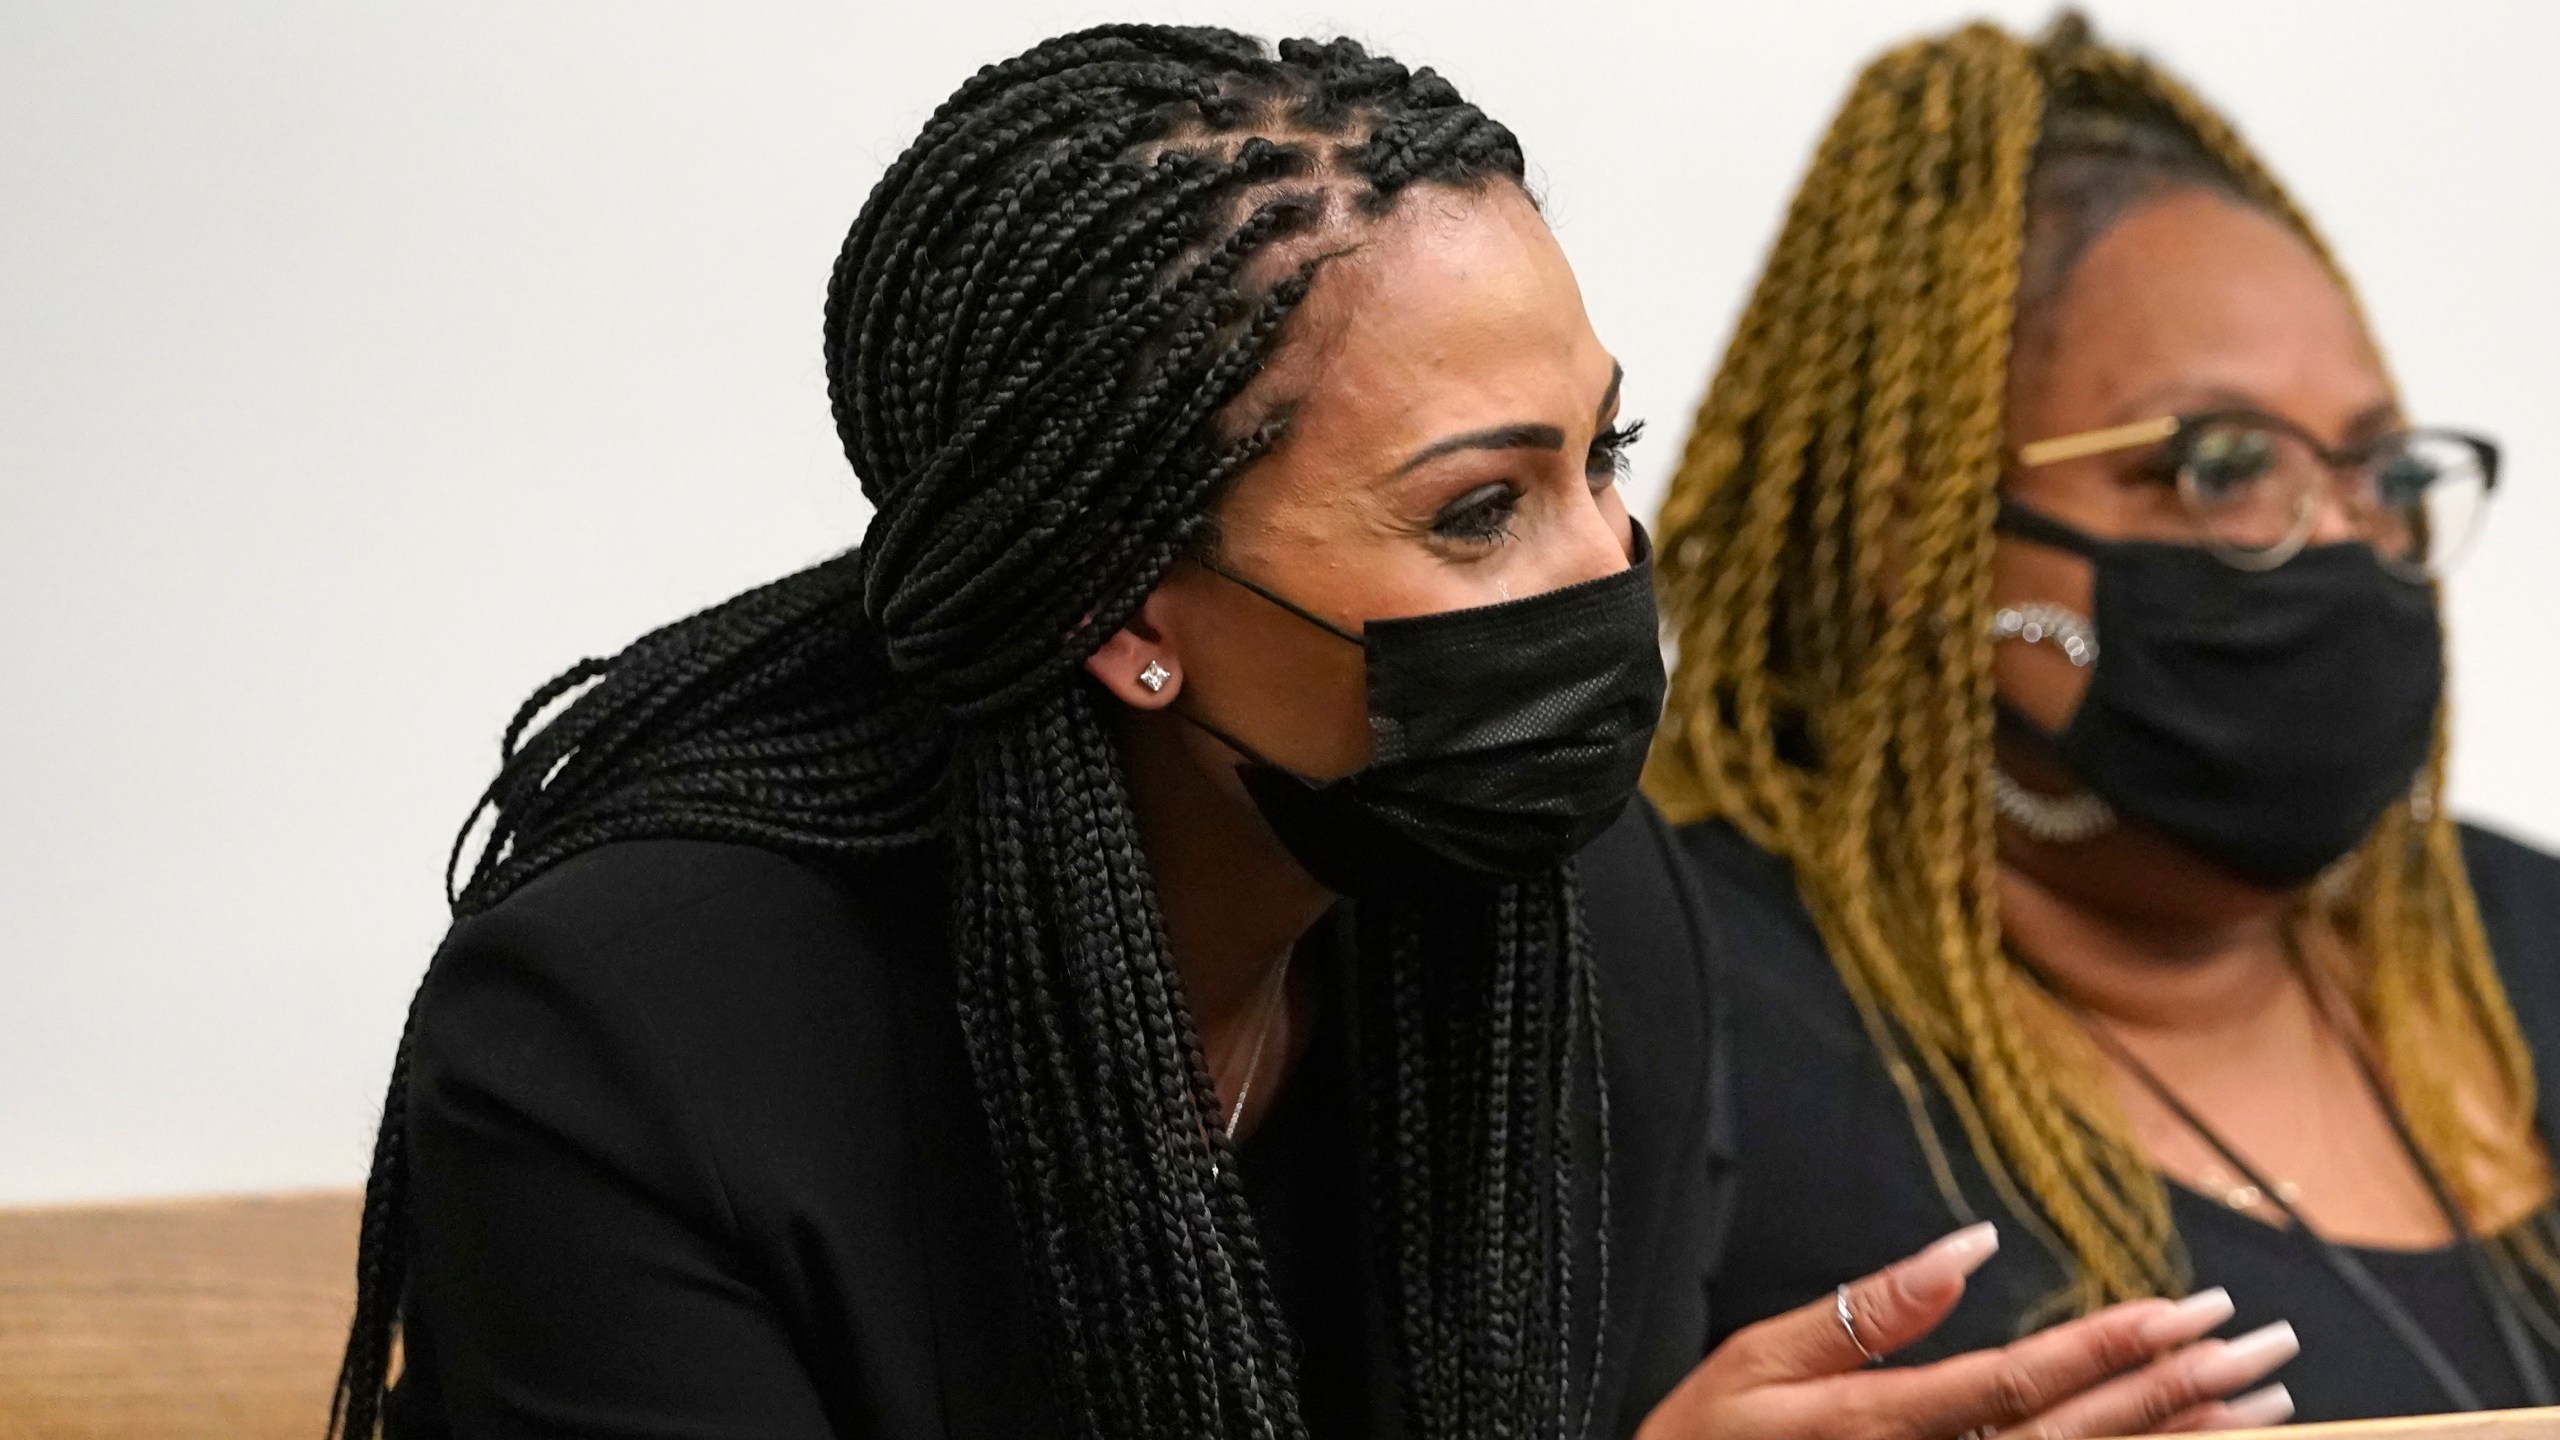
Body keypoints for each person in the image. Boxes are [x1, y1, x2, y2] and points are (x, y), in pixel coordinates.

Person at [330, 25, 2293, 1440]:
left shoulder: (1579, 919)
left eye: (1596, 455)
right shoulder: (640, 1042)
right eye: (1473, 511)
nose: (1608, 568)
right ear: (1129, 616)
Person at [1647, 12, 2560, 1425]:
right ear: (1922, 532)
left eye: (2377, 468)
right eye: (2219, 465)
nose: (2334, 541)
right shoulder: (1666, 1012)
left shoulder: (2523, 944)